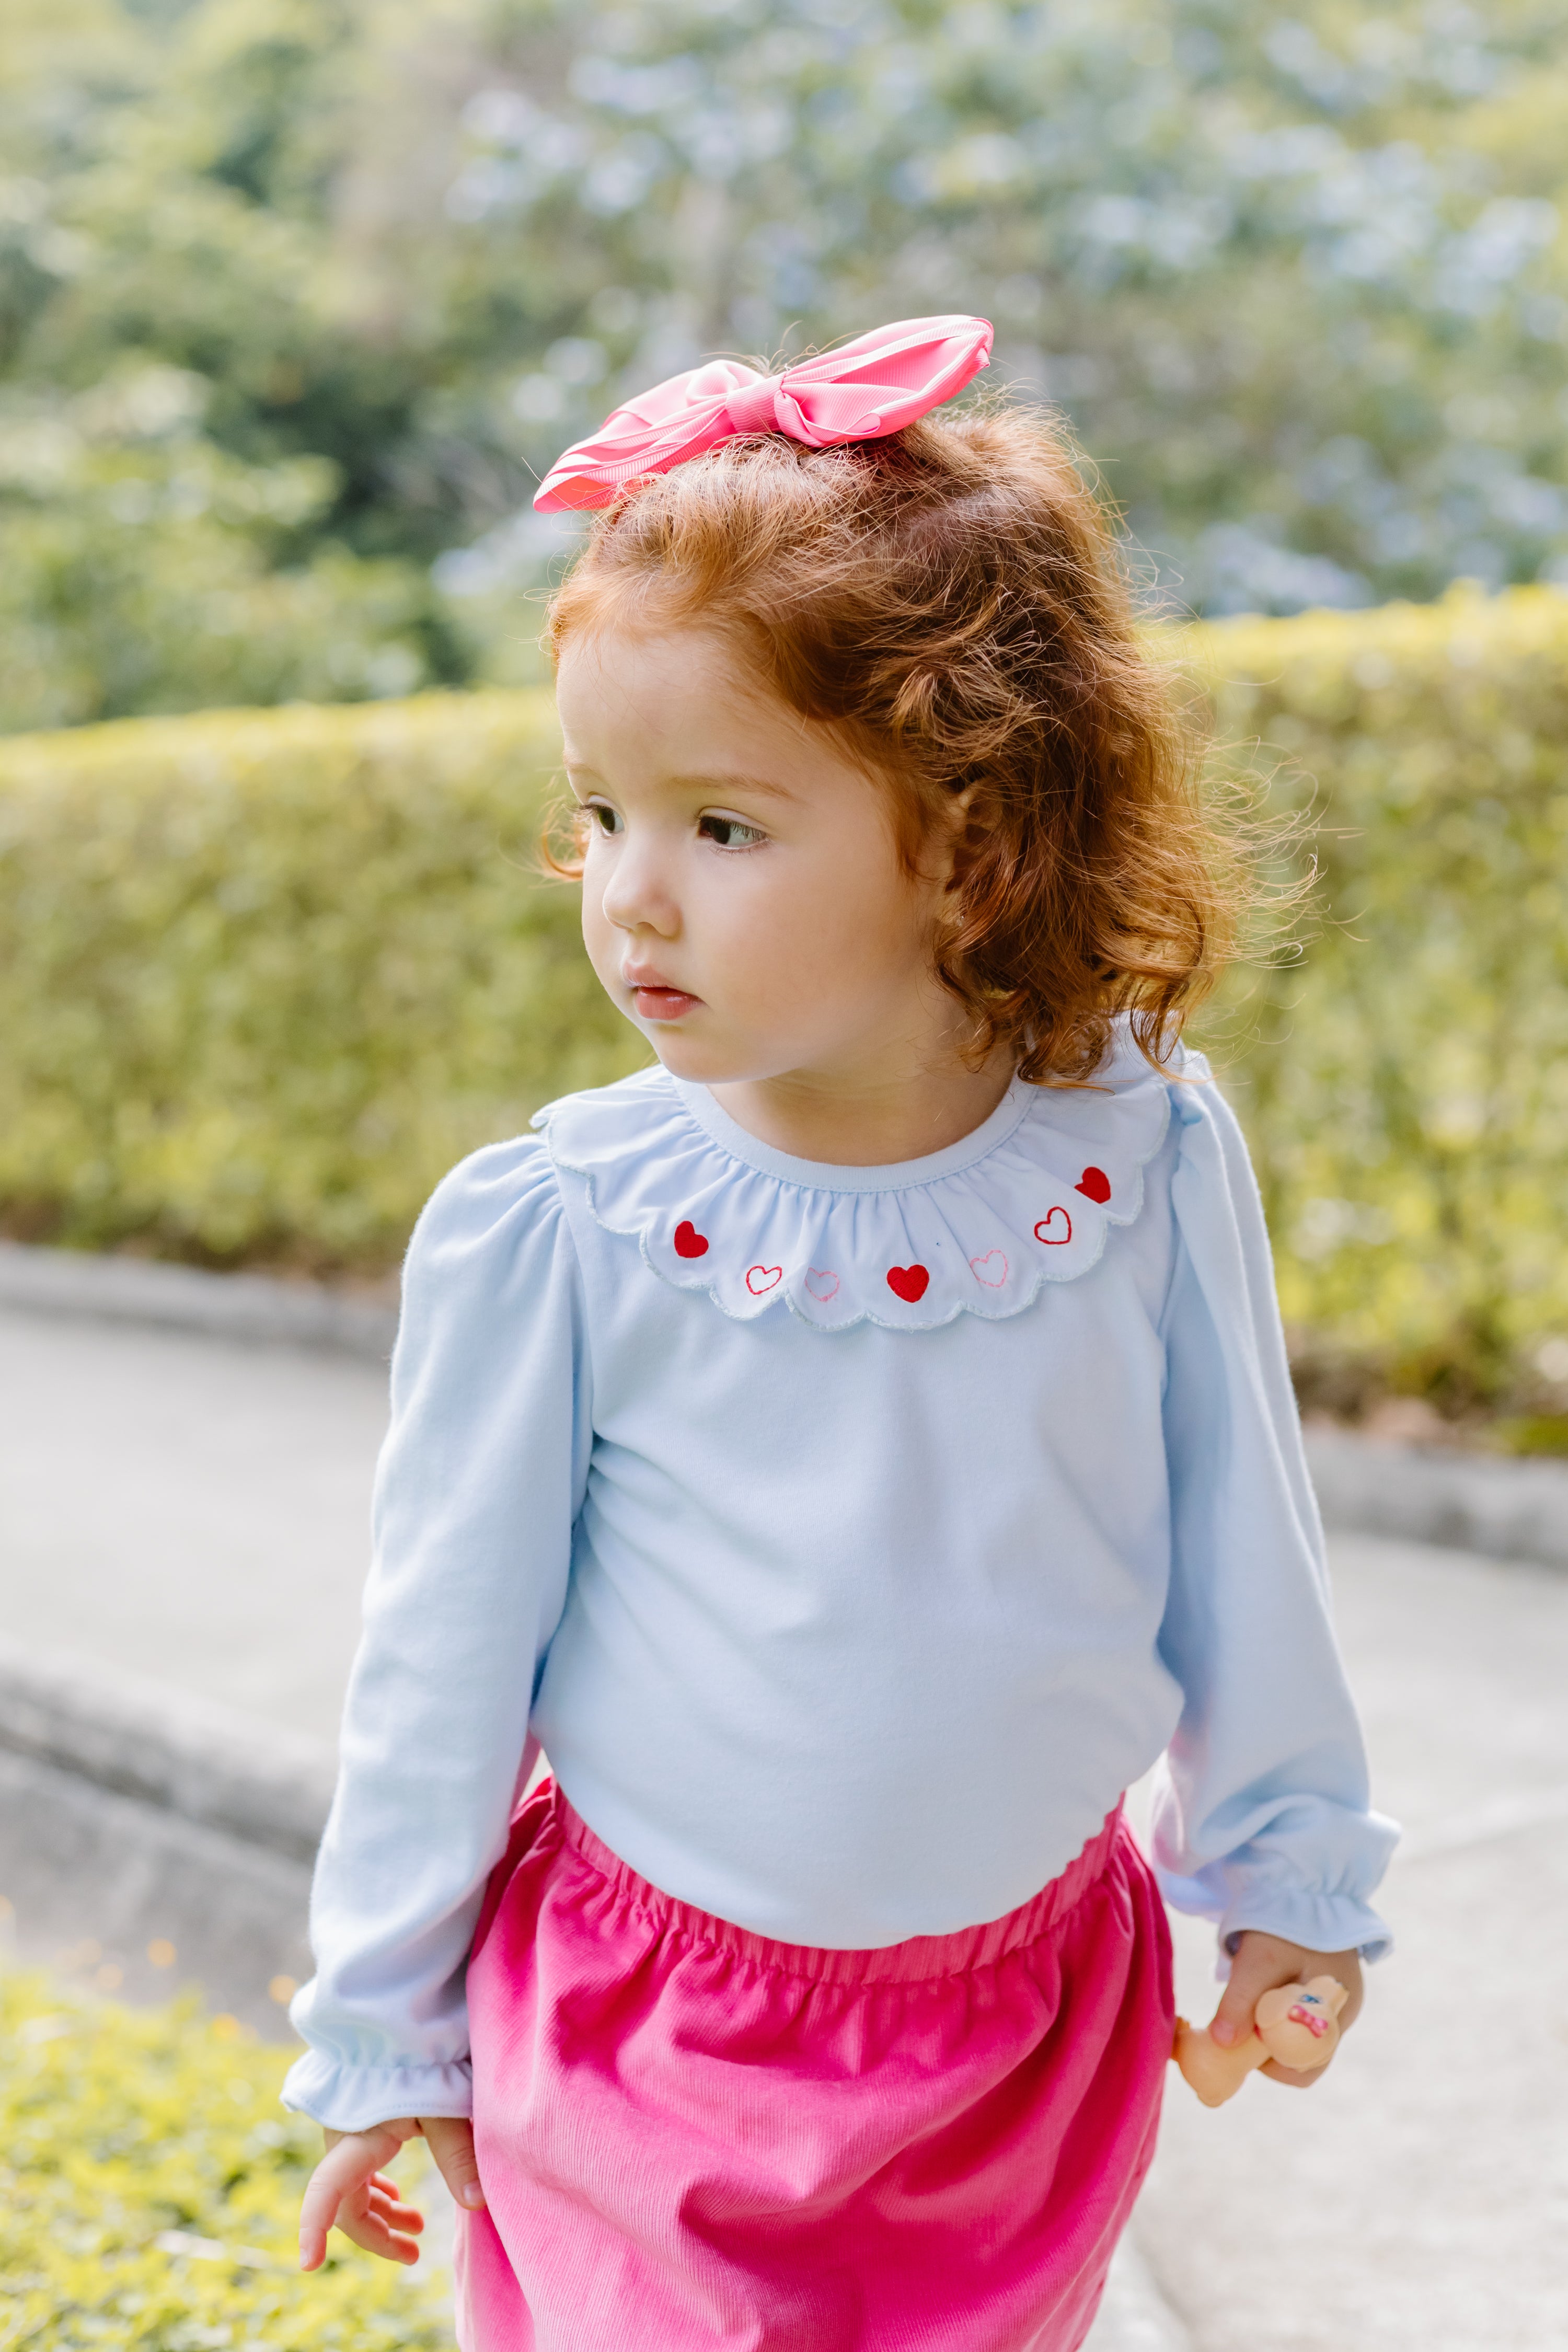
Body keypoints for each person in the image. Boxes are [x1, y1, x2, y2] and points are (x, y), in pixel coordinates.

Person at [284, 317, 1396, 2351]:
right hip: (646, 2041)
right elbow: (437, 1663)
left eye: (721, 826)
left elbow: (1250, 1532)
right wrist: (382, 2025)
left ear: (973, 842)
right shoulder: (569, 1229)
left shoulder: (1138, 1148)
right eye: (600, 814)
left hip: (1028, 2033)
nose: (634, 899)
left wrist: (1287, 1875)